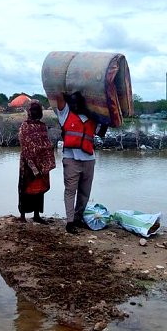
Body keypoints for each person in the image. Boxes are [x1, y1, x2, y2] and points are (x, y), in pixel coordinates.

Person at [55, 91, 107, 234]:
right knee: (70, 191)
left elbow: (101, 133)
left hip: (89, 160)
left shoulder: (92, 118)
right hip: (71, 159)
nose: (75, 105)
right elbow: (58, 96)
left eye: (78, 102)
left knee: (85, 193)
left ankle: (78, 218)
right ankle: (70, 222)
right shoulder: (65, 114)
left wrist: (106, 119)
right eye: (73, 102)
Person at [17, 101, 56, 224]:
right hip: (27, 163)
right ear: (29, 112)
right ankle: (22, 215)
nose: (35, 112)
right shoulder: (25, 126)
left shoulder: (42, 126)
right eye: (33, 110)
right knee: (25, 187)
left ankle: (37, 215)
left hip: (41, 162)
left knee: (39, 189)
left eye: (37, 110)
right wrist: (32, 161)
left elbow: (46, 143)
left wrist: (45, 154)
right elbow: (25, 144)